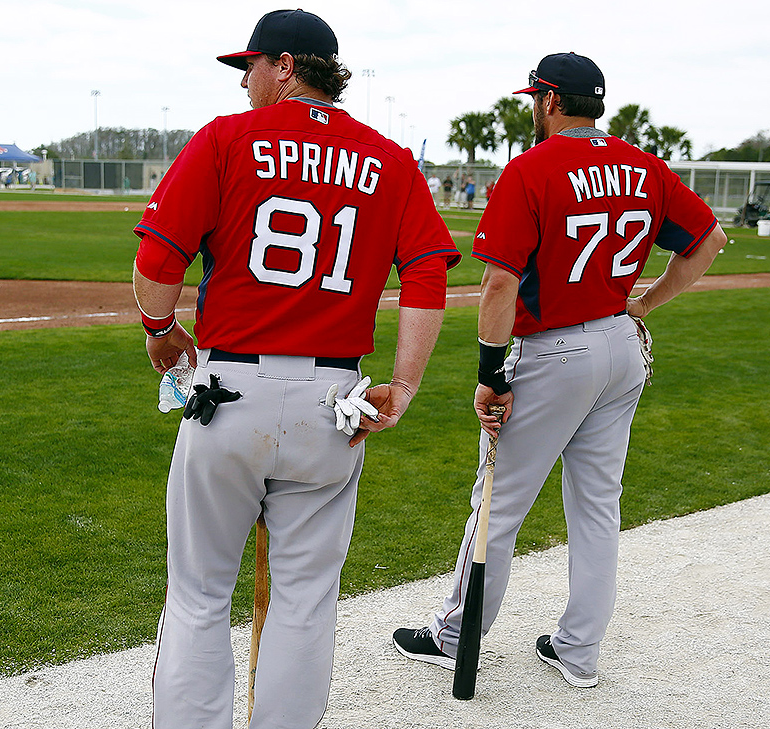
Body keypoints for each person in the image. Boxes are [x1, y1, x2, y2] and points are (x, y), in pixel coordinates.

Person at [131, 10, 460, 727]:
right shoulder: (390, 158)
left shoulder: (225, 137)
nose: (244, 81)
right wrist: (402, 383)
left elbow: (157, 260)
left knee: (198, 594)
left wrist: (160, 330)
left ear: (285, 64)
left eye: (248, 65)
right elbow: (428, 272)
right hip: (333, 403)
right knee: (306, 598)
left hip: (230, 392)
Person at [391, 52, 725, 689]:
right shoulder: (646, 166)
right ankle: (578, 652)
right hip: (620, 344)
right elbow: (709, 241)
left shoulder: (532, 168)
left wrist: (490, 372)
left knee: (498, 505)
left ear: (547, 101)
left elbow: (497, 285)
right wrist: (645, 303)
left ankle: (458, 635)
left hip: (555, 352)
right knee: (597, 508)